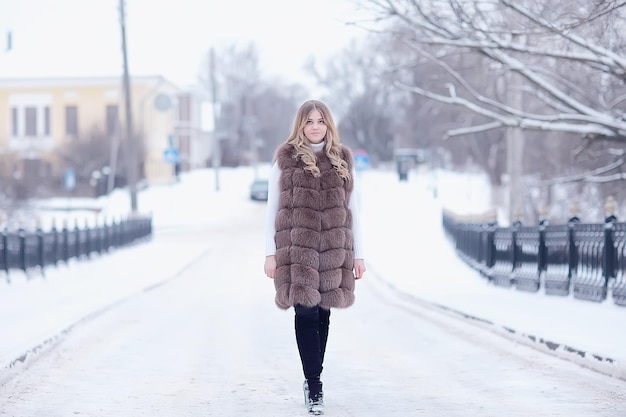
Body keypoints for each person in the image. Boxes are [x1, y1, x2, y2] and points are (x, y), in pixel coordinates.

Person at [263, 99, 366, 415]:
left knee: (323, 316)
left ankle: (312, 376)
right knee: (305, 314)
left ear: (328, 124)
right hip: (298, 252)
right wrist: (270, 253)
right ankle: (315, 385)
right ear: (300, 125)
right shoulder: (286, 162)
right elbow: (272, 209)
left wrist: (358, 255)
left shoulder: (342, 161)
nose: (316, 126)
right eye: (309, 121)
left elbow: (354, 211)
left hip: (334, 251)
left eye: (321, 120)